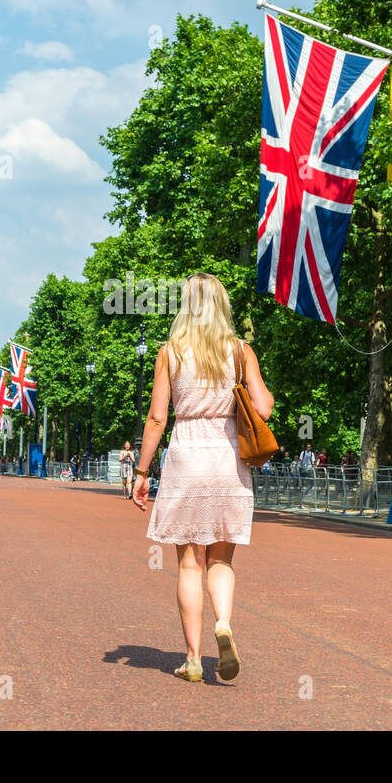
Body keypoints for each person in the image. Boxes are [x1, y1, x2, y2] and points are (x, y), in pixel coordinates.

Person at [132, 272, 273, 683]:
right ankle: (224, 624)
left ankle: (193, 660)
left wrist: (142, 473)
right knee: (222, 559)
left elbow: (158, 417)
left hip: (187, 457)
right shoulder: (240, 351)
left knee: (189, 565)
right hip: (228, 460)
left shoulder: (170, 352)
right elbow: (263, 409)